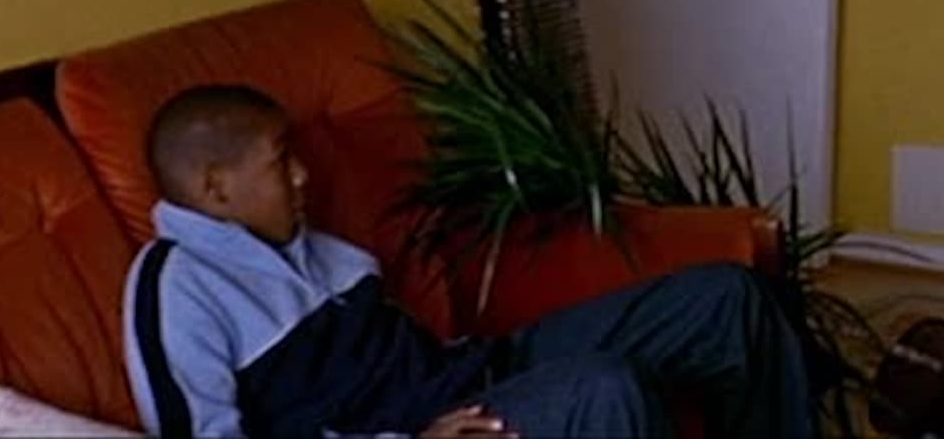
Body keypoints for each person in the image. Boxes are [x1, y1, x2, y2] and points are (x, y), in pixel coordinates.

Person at [121, 84, 813, 439]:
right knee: (604, 389)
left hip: (472, 373)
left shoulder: (305, 244)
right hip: (430, 426)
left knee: (725, 298)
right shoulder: (179, 288)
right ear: (214, 187)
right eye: (280, 163)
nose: (303, 176)